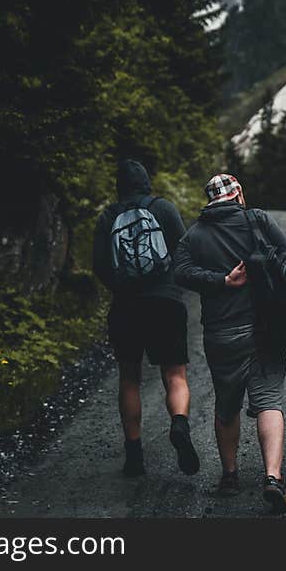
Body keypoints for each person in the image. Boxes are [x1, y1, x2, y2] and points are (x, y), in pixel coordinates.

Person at [173, 174, 286, 513]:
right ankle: (273, 477)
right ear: (237, 192)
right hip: (264, 329)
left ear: (210, 200)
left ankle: (229, 476)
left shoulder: (195, 234)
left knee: (226, 407)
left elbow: (178, 273)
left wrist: (220, 281)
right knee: (269, 401)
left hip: (220, 334)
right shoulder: (257, 220)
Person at [93, 159, 199, 478]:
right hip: (166, 302)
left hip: (127, 306)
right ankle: (179, 424)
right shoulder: (163, 208)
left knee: (129, 378)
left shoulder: (108, 216)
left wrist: (121, 288)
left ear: (119, 185)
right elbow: (185, 253)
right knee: (175, 374)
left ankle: (134, 454)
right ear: (146, 182)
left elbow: (100, 265)